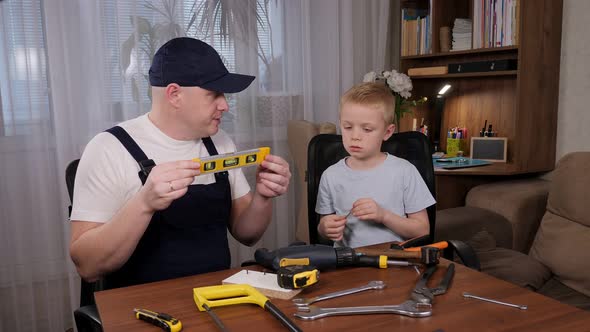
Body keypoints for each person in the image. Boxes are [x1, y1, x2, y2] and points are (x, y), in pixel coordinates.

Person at [69, 37, 291, 288]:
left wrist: (263, 197)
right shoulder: (108, 149)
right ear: (174, 94)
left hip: (215, 298)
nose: (225, 105)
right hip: (140, 308)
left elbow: (247, 234)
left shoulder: (219, 142)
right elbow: (87, 266)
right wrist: (144, 203)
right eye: (214, 94)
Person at [316, 82, 435, 248]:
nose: (355, 136)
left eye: (367, 129)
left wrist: (384, 216)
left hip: (393, 263)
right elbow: (323, 227)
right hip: (346, 266)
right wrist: (325, 228)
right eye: (348, 127)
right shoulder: (330, 175)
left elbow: (422, 230)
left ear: (387, 132)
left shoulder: (404, 171)